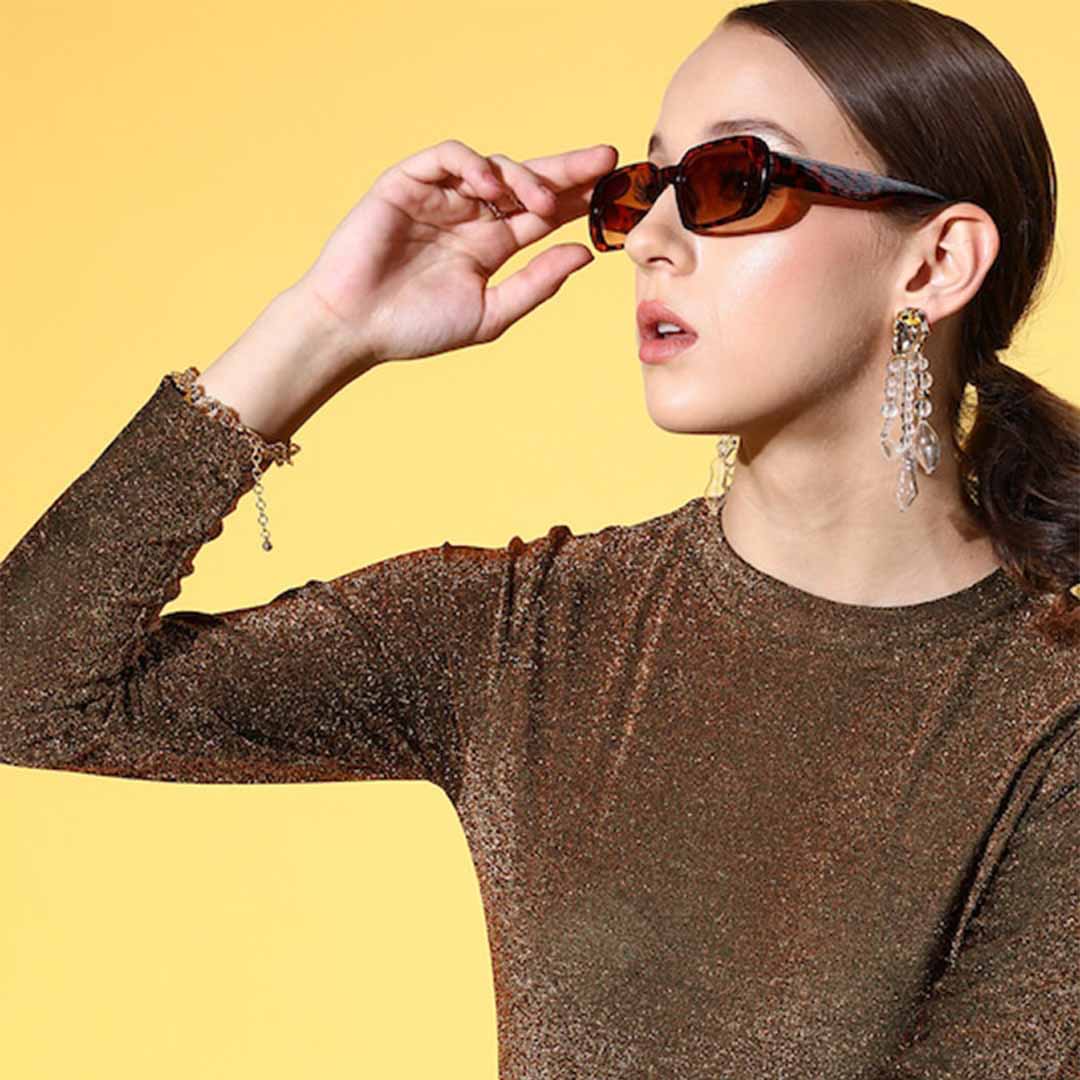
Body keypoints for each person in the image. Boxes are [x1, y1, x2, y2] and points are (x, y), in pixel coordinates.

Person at [2, 0, 1077, 1075]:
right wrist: (320, 328)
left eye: (728, 180)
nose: (647, 240)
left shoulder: (1052, 717)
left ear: (936, 262)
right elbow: (28, 693)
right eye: (644, 189)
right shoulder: (533, 634)